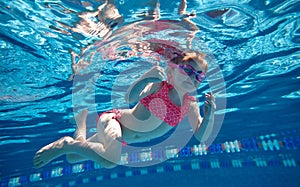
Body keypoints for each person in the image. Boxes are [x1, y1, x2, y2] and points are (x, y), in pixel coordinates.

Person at [33, 0, 216, 169]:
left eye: (199, 76)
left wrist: (208, 117)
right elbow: (130, 97)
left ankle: (80, 124)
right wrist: (147, 77)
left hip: (124, 138)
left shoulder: (190, 103)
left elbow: (200, 135)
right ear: (171, 70)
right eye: (188, 70)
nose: (193, 77)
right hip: (115, 121)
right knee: (110, 161)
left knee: (73, 158)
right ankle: (66, 144)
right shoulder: (159, 87)